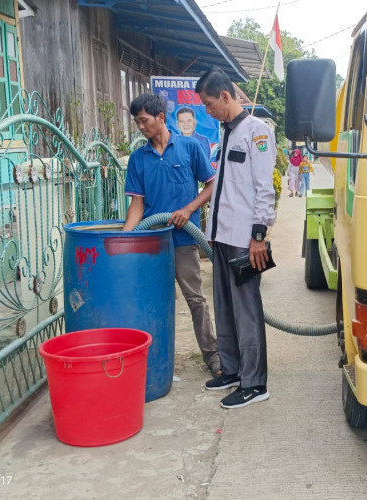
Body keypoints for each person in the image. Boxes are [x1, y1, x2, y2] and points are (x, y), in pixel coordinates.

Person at [122, 93, 222, 378]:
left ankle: (213, 356)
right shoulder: (139, 159)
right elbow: (137, 205)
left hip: (184, 241)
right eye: (137, 122)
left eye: (144, 121)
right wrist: (125, 240)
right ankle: (152, 360)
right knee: (153, 301)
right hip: (151, 243)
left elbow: (211, 185)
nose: (140, 127)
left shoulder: (189, 147)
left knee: (195, 299)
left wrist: (188, 209)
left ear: (161, 118)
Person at [195, 68, 276, 409]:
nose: (207, 110)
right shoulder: (226, 132)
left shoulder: (256, 132)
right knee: (225, 309)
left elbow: (263, 189)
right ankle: (232, 370)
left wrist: (259, 236)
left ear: (225, 97)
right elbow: (225, 188)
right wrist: (212, 232)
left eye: (210, 104)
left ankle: (255, 383)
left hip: (245, 240)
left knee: (246, 313)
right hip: (222, 238)